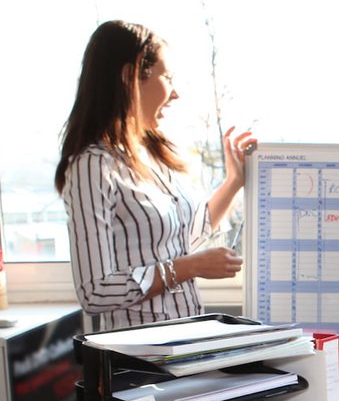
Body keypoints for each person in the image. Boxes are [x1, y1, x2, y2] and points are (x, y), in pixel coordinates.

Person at [55, 20, 253, 333]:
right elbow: (95, 291)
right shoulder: (93, 166)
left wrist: (234, 182)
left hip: (183, 345)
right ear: (129, 77)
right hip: (139, 361)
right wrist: (190, 267)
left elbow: (181, 239)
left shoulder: (151, 157)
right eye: (167, 78)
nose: (175, 93)